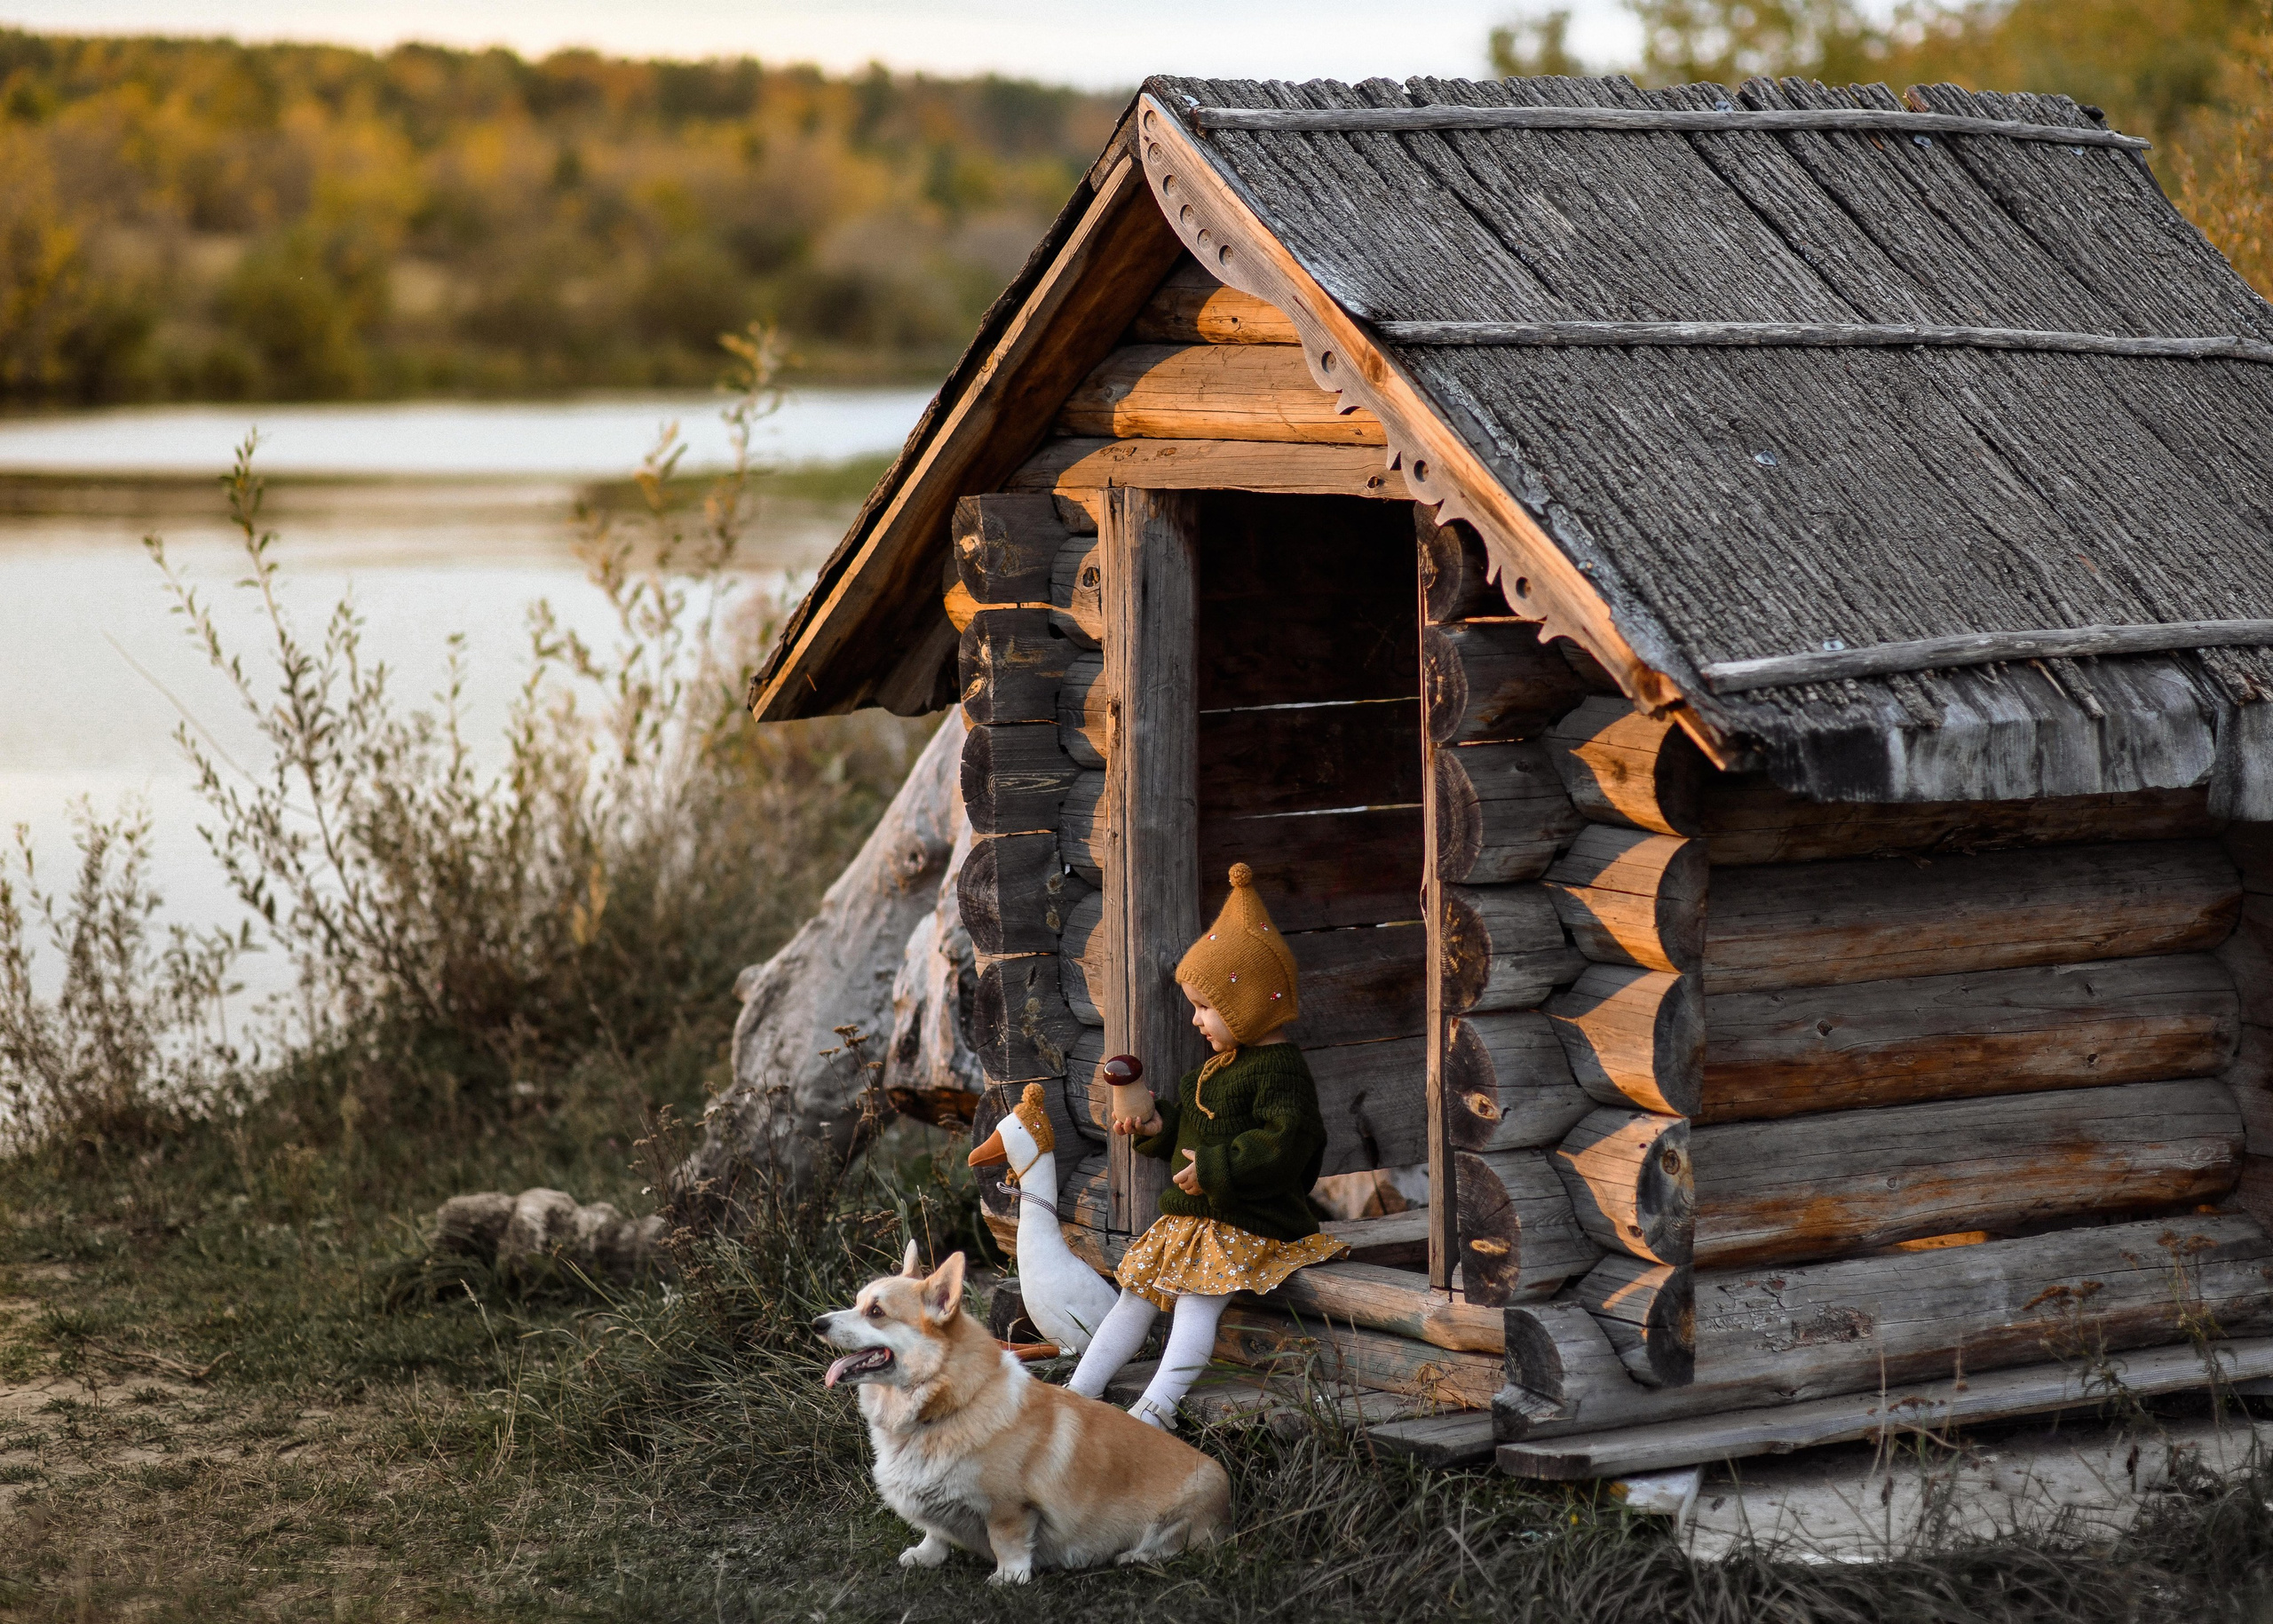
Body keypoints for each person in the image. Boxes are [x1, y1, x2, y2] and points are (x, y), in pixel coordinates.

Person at [1065, 863, 1349, 1429]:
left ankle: (1158, 1408)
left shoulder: (1280, 1072)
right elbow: (1197, 1136)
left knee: (1196, 1307)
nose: (1195, 1020)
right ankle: (1076, 1394)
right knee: (1135, 1298)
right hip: (1197, 1221)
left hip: (1247, 1219)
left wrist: (1218, 1167)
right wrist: (1158, 1129)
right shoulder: (1220, 1066)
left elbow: (1286, 1144)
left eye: (1205, 1007)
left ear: (1247, 1006)